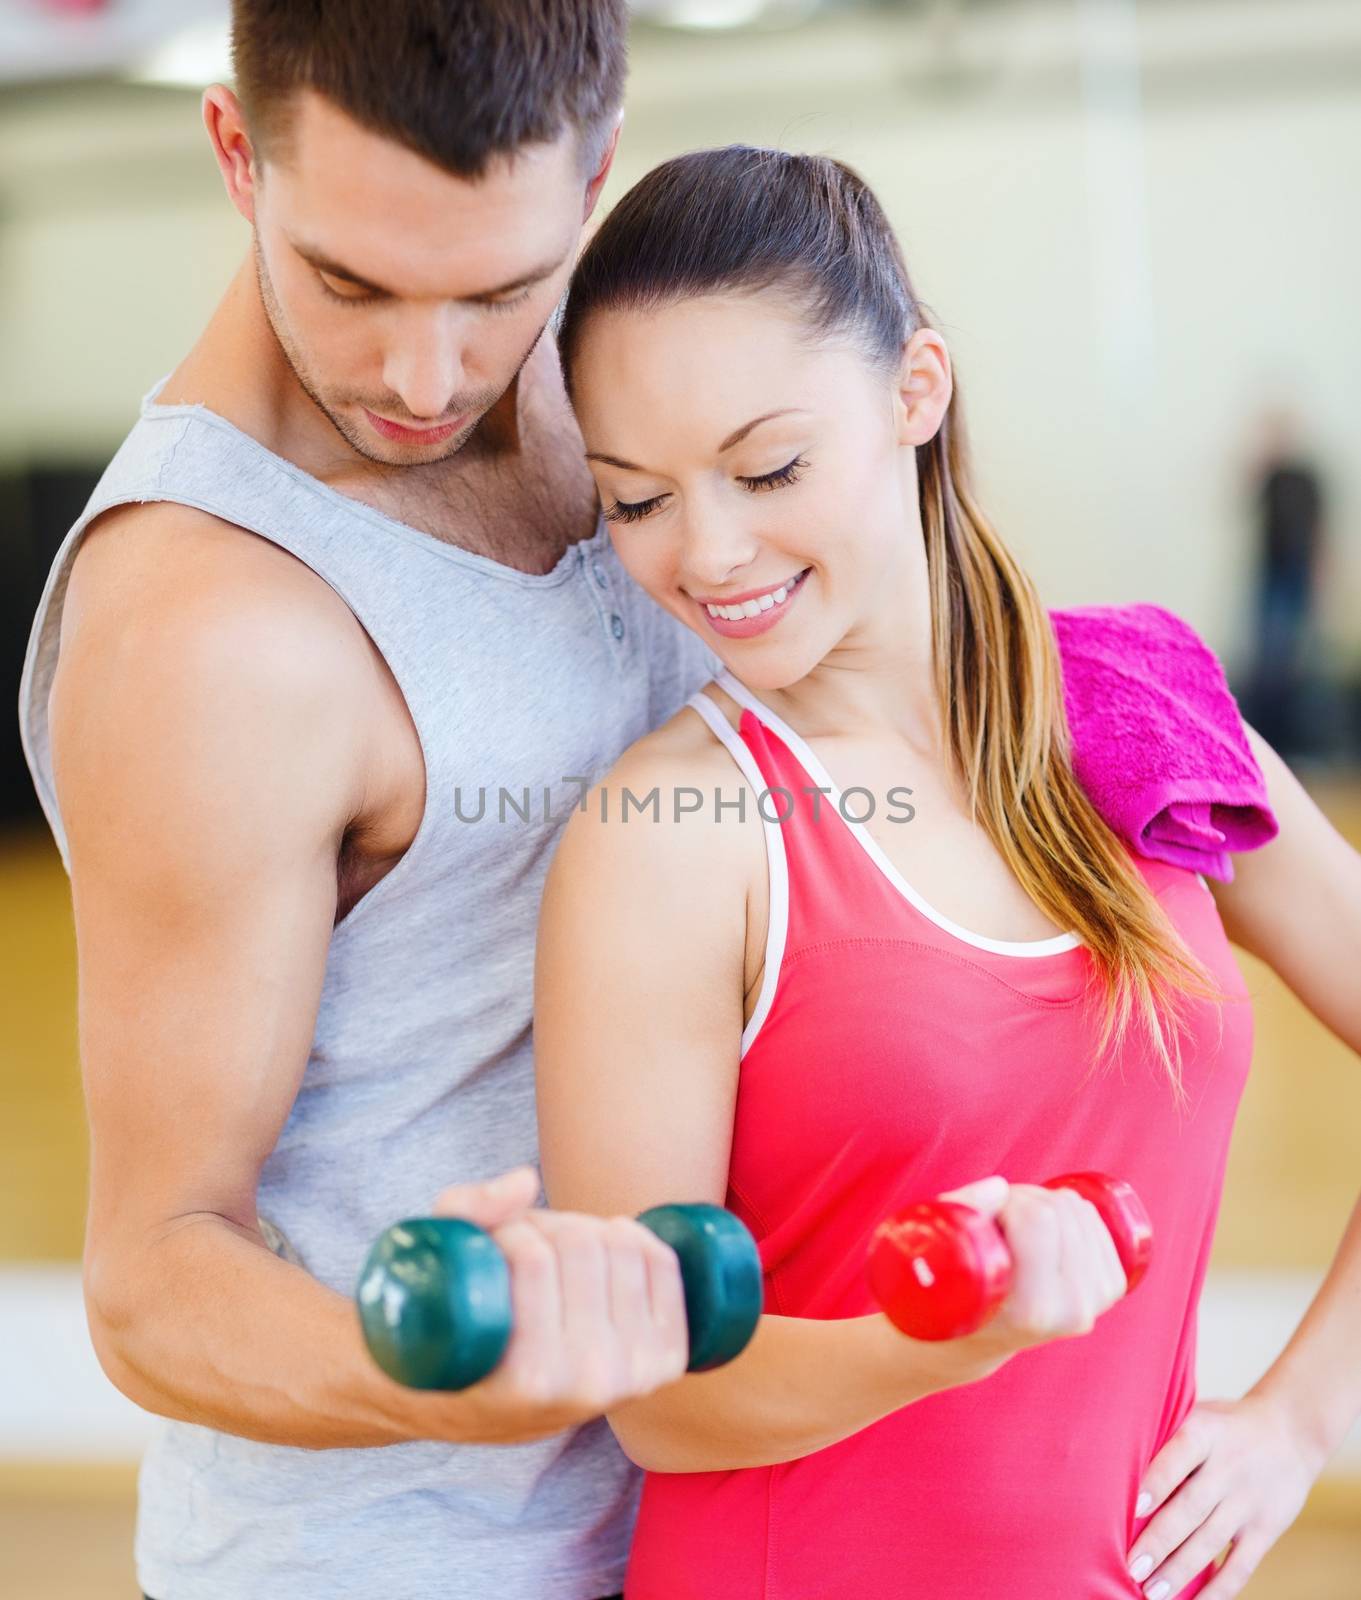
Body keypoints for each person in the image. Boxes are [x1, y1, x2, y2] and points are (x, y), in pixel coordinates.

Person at [534, 146, 1361, 1599]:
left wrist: (1300, 1418)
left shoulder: (1144, 709)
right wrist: (936, 1342)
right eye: (636, 499)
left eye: (765, 466)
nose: (707, 552)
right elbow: (655, 1391)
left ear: (917, 391)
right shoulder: (670, 828)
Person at [16, 5, 718, 1598]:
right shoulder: (211, 624)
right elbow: (153, 1276)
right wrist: (454, 1373)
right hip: (395, 1561)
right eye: (350, 282)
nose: (425, 373)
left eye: (496, 289)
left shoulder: (615, 382)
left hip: (716, 1513)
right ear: (235, 158)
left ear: (597, 169)